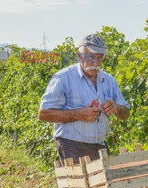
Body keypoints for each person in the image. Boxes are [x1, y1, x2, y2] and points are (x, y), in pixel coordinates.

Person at [38, 34, 130, 165]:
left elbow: (125, 114)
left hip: (99, 145)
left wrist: (116, 108)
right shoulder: (63, 78)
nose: (95, 63)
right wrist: (78, 114)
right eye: (91, 57)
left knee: (104, 184)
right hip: (72, 146)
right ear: (79, 55)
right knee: (81, 184)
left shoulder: (109, 81)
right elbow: (44, 114)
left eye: (99, 58)